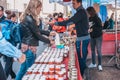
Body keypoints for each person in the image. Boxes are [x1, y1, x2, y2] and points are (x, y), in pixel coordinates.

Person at [49, 0, 90, 76]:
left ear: (79, 3)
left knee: (81, 57)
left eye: (74, 3)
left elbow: (70, 21)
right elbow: (73, 22)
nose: (73, 5)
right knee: (81, 57)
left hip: (82, 39)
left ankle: (82, 74)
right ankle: (82, 72)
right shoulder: (81, 12)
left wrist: (56, 23)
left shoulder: (80, 12)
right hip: (82, 38)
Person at [15, 0, 53, 80]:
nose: (40, 10)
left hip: (26, 46)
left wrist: (48, 33)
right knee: (31, 72)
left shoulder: (28, 17)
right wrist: (49, 41)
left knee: (23, 69)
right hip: (29, 47)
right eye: (40, 8)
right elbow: (37, 34)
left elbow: (36, 31)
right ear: (35, 8)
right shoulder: (30, 19)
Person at [1, 11, 18, 79]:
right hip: (9, 45)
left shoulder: (2, 23)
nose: (15, 19)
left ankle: (13, 75)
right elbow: (12, 36)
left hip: (3, 45)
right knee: (8, 63)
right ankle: (4, 77)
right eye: (15, 18)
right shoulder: (11, 24)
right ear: (12, 18)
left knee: (8, 61)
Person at [86, 7, 103, 71]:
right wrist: (88, 30)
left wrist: (93, 29)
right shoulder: (89, 18)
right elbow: (89, 26)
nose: (87, 13)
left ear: (90, 12)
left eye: (87, 12)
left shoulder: (97, 18)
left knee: (98, 51)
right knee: (93, 50)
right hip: (92, 37)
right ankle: (93, 63)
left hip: (98, 37)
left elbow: (100, 28)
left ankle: (100, 65)